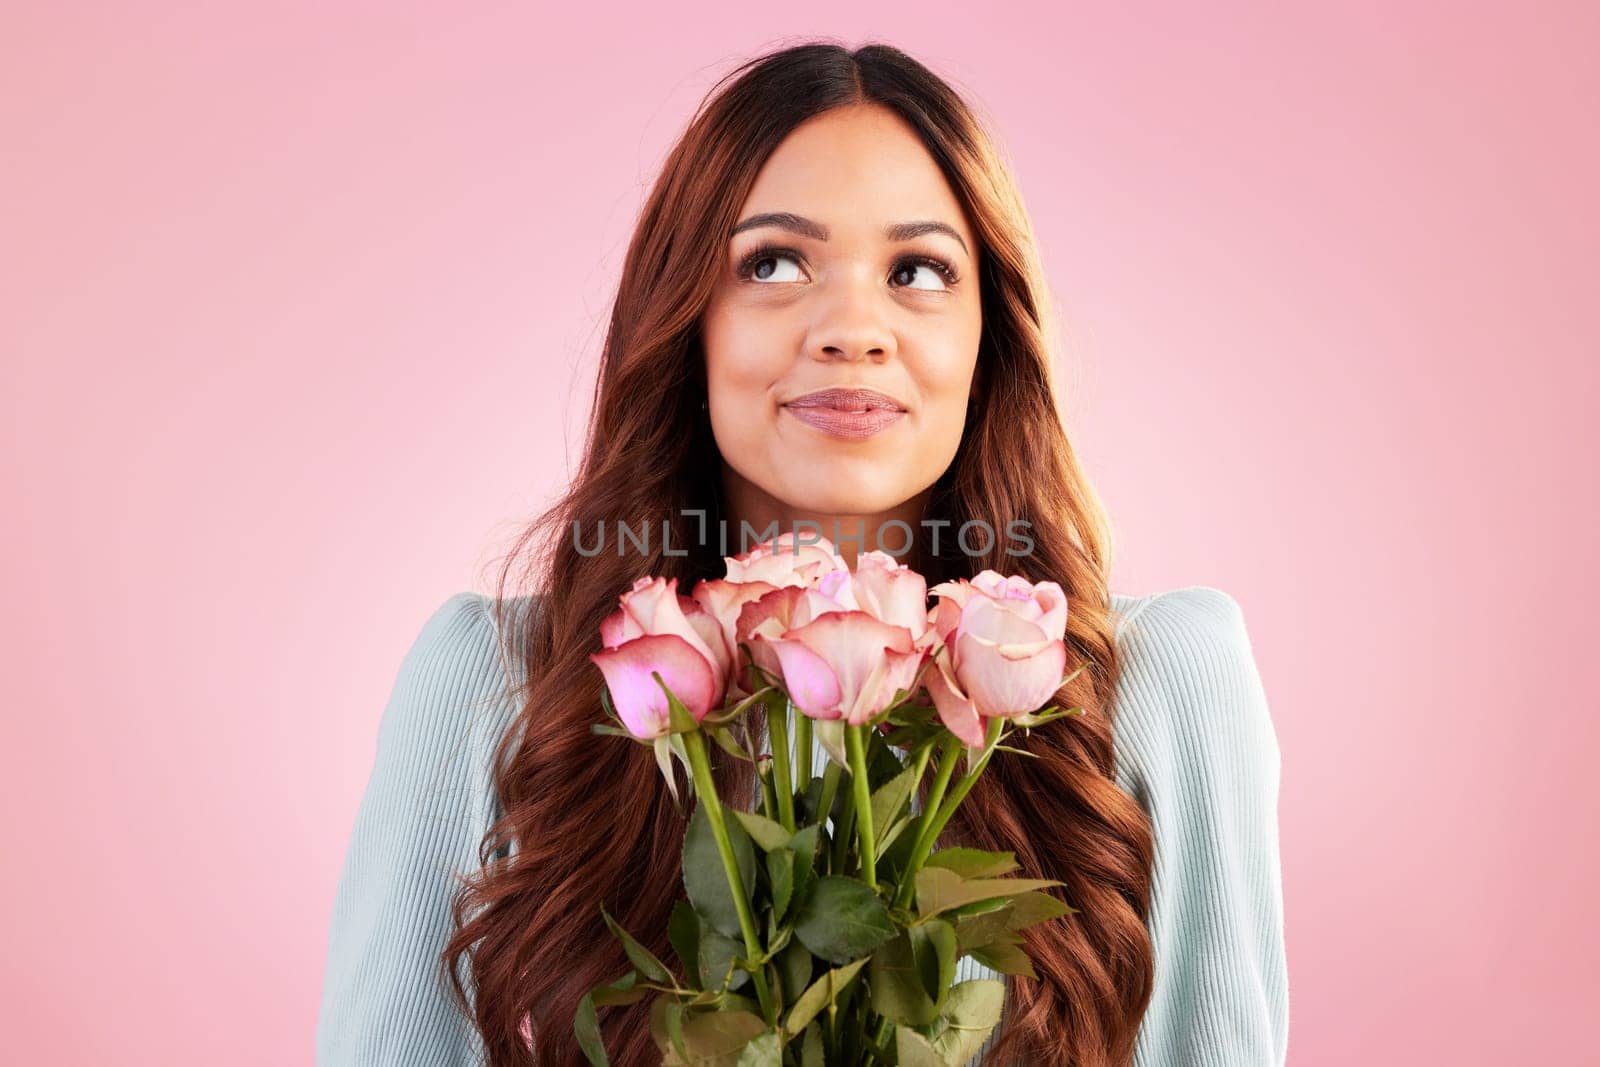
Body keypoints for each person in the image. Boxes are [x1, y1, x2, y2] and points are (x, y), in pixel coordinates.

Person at [316, 40, 1288, 1066]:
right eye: (773, 262)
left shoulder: (1154, 681)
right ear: (685, 320)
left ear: (987, 338)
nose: (852, 327)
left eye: (917, 270)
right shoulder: (495, 684)